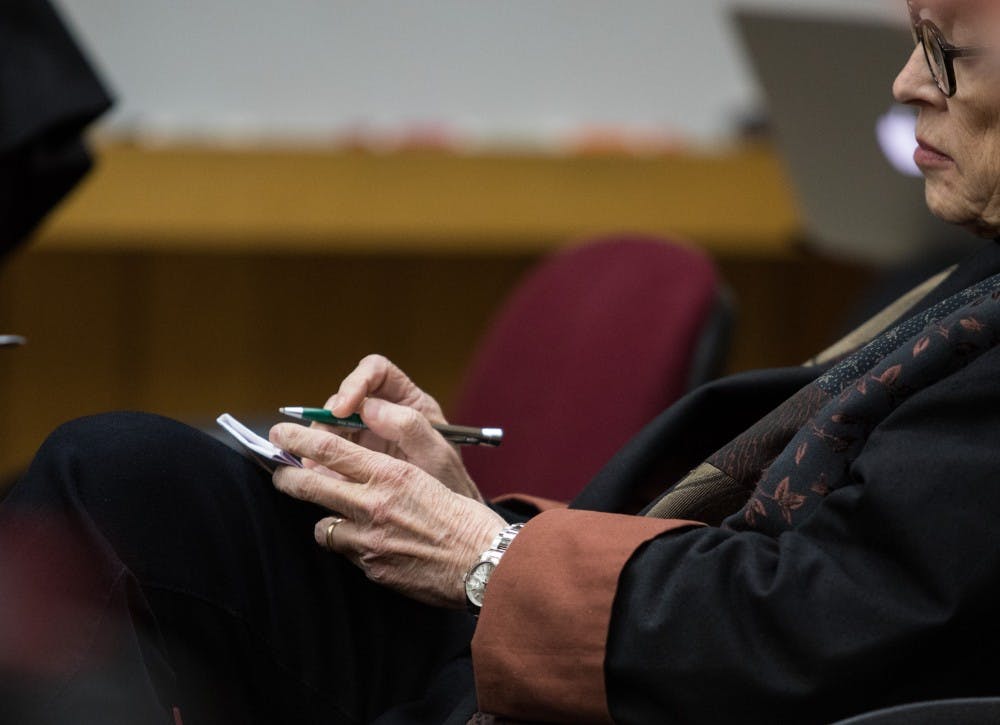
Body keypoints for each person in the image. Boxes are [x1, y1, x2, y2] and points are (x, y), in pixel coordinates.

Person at [3, 0, 1000, 722]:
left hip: (660, 680)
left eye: (943, 52)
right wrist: (463, 506)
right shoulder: (955, 271)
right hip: (617, 622)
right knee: (122, 476)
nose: (908, 84)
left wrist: (486, 556)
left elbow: (823, 625)